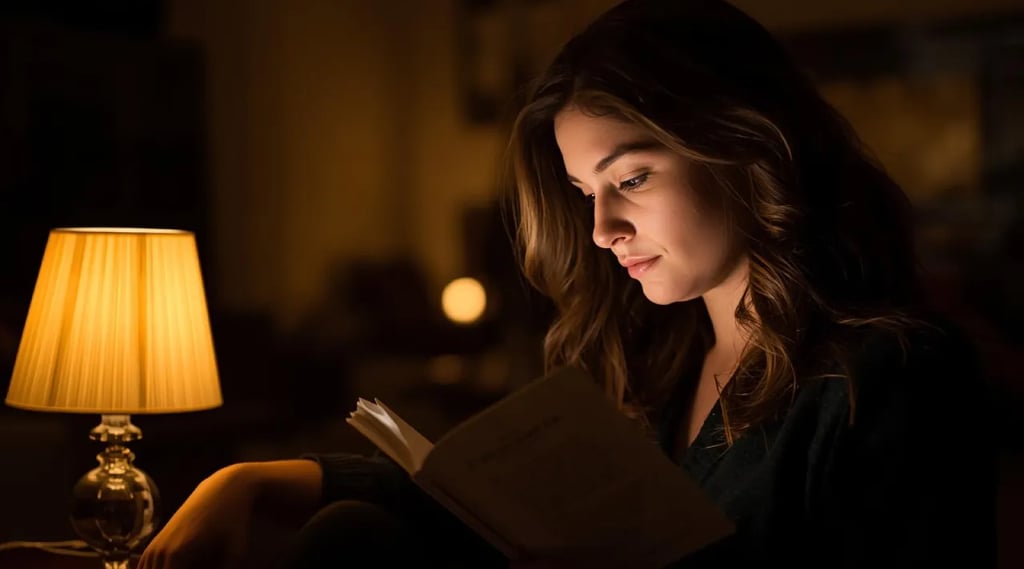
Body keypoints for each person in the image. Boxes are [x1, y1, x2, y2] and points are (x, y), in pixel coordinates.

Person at [138, 0, 998, 567]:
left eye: (632, 178)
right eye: (587, 193)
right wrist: (249, 479)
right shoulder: (655, 352)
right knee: (352, 536)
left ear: (745, 145)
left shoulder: (890, 374)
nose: (601, 231)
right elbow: (479, 498)